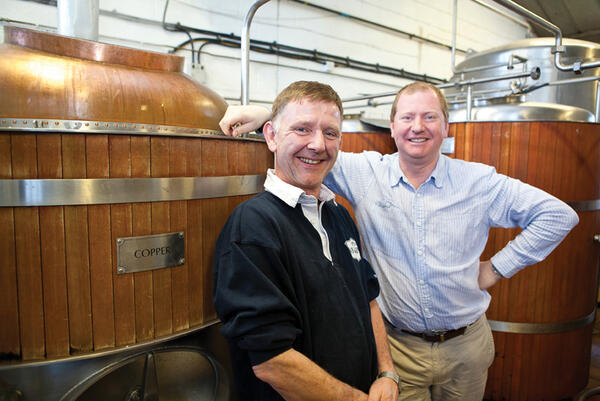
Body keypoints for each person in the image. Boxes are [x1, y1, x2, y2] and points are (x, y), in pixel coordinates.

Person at [218, 81, 579, 401]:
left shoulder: (479, 182)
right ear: (392, 127)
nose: (417, 127)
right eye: (406, 117)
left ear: (446, 127)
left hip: (466, 345)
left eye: (430, 117)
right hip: (400, 347)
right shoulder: (365, 173)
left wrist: (497, 268)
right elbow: (308, 140)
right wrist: (266, 113)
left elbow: (558, 215)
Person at [213, 80, 399, 401]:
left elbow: (368, 299)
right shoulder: (253, 226)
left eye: (330, 133)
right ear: (271, 136)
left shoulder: (339, 215)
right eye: (302, 129)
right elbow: (271, 361)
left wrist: (386, 373)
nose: (318, 144)